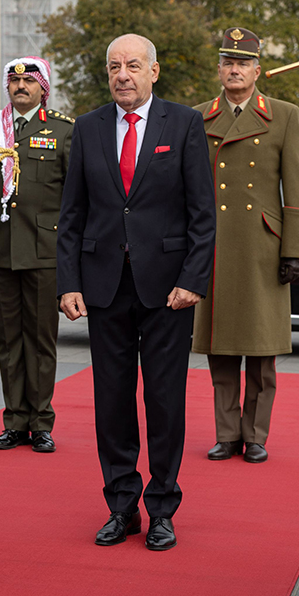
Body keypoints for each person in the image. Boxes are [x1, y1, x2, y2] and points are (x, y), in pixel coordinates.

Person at [57, 33, 216, 551]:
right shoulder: (88, 128)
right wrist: (69, 283)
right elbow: (72, 216)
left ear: (153, 72)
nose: (121, 74)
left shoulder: (186, 124)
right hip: (105, 288)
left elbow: (202, 215)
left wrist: (193, 280)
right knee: (112, 404)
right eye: (113, 67)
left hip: (168, 290)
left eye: (132, 65)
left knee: (166, 402)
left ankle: (163, 507)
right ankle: (121, 506)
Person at [192, 28, 299, 465]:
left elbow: (295, 188)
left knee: (261, 352)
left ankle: (255, 435)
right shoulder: (199, 117)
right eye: (227, 62)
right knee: (221, 348)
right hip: (217, 245)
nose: (234, 69)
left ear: (258, 70)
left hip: (262, 247)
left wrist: (295, 249)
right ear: (220, 70)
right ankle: (227, 434)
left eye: (242, 63)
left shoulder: (283, 115)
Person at [0, 57, 74, 453]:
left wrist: (71, 256)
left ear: (43, 87)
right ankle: (15, 421)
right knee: (8, 339)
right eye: (14, 81)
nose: (20, 87)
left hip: (45, 250)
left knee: (41, 339)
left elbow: (73, 199)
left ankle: (41, 421)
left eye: (28, 81)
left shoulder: (63, 130)